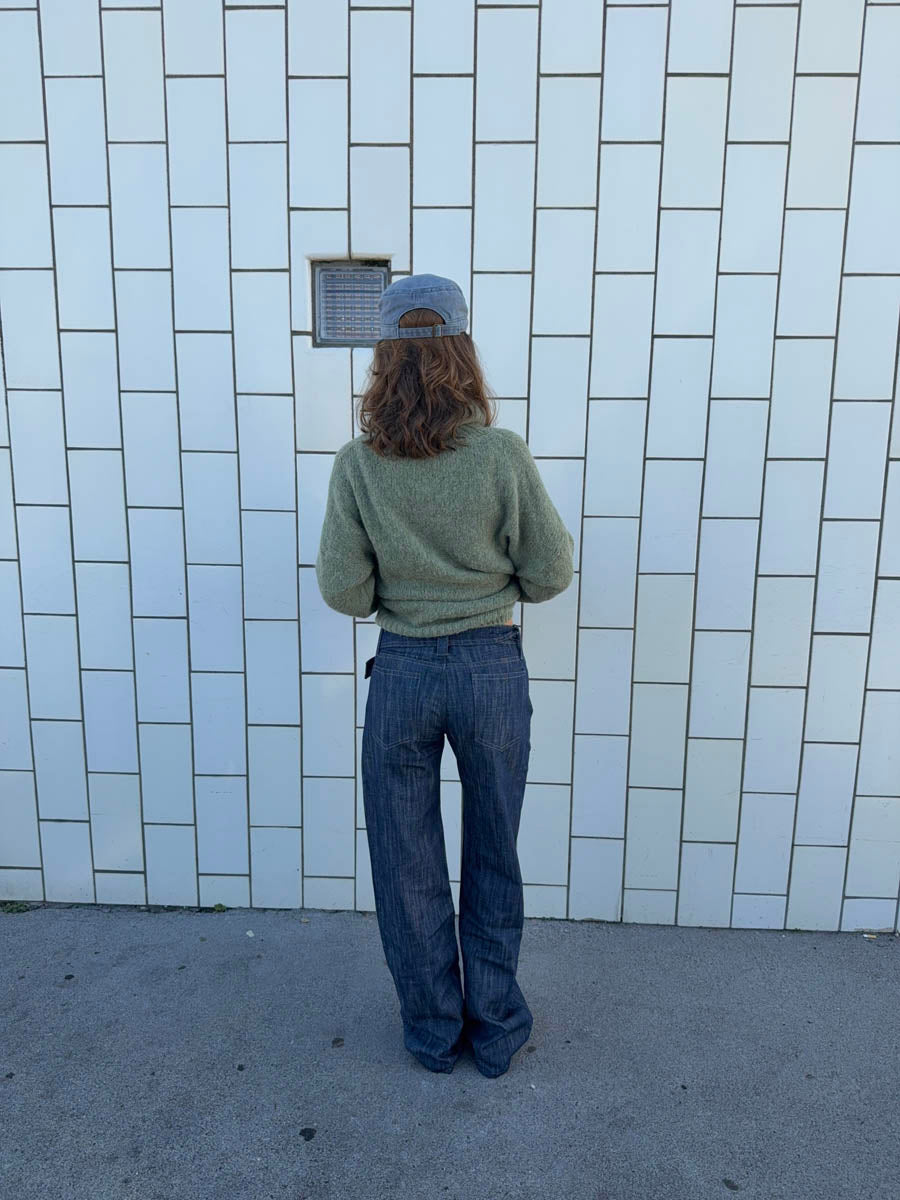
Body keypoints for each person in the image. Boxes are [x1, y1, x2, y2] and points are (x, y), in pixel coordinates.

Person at [315, 273, 575, 1079]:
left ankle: (433, 1032)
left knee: (405, 862)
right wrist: (485, 584)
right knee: (494, 850)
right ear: (462, 350)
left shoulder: (358, 464)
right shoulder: (500, 454)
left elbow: (343, 591)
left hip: (402, 672)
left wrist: (404, 588)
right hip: (491, 667)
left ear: (382, 358)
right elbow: (551, 572)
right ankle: (494, 1030)